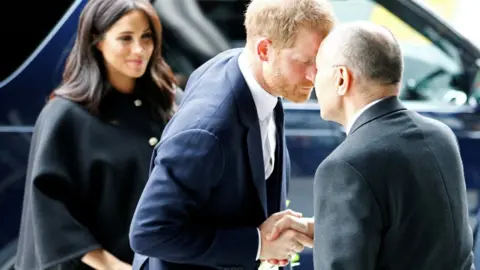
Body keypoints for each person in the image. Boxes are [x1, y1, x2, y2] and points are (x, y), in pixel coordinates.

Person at [128, 0, 336, 269]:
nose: (314, 75)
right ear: (264, 50)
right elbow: (149, 233)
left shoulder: (252, 70)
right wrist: (258, 243)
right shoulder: (207, 131)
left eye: (319, 61)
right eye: (305, 61)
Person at [15, 0, 181, 269]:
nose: (139, 49)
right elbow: (51, 213)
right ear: (97, 41)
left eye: (146, 37)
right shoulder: (64, 116)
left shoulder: (167, 104)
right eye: (125, 38)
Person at [311, 21, 474, 270]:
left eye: (318, 68)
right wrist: (325, 231)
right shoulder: (440, 136)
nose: (311, 77)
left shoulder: (344, 167)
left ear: (341, 78)